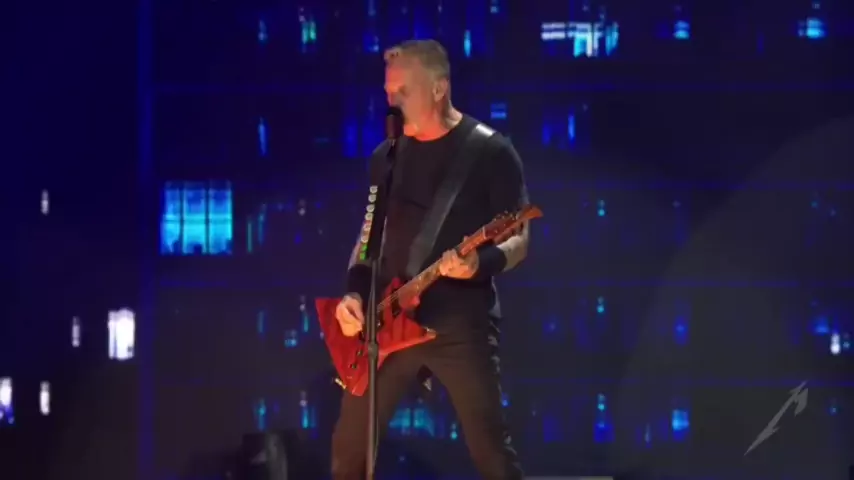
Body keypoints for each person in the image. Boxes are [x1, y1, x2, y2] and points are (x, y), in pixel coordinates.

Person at [332, 39, 529, 480]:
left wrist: (480, 263)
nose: (391, 102)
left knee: (491, 451)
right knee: (348, 450)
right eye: (388, 92)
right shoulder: (385, 157)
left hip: (459, 323)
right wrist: (354, 295)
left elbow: (519, 240)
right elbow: (368, 237)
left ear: (439, 88)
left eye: (403, 91)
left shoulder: (491, 152)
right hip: (388, 321)